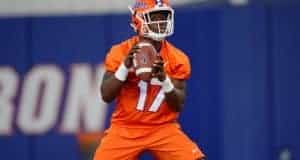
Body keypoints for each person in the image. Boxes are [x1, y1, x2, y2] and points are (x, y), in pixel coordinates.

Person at [93, 0, 206, 159]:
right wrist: (125, 67)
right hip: (126, 127)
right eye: (155, 17)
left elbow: (177, 105)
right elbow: (106, 95)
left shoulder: (177, 59)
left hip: (162, 127)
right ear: (139, 19)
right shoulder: (120, 52)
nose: (161, 22)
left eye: (164, 17)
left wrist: (164, 79)